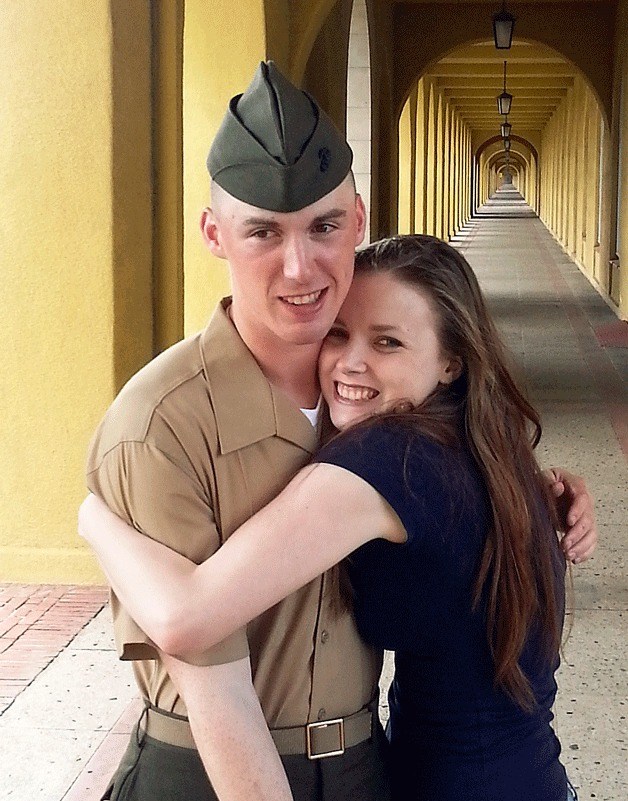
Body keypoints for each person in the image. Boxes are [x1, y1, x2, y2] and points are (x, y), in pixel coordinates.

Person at [85, 62, 593, 801]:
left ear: (357, 220)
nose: (300, 267)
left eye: (324, 227)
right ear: (215, 234)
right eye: (263, 231)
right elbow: (207, 669)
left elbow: (189, 612)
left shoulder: (388, 437)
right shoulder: (164, 423)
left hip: (392, 768)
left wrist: (90, 520)